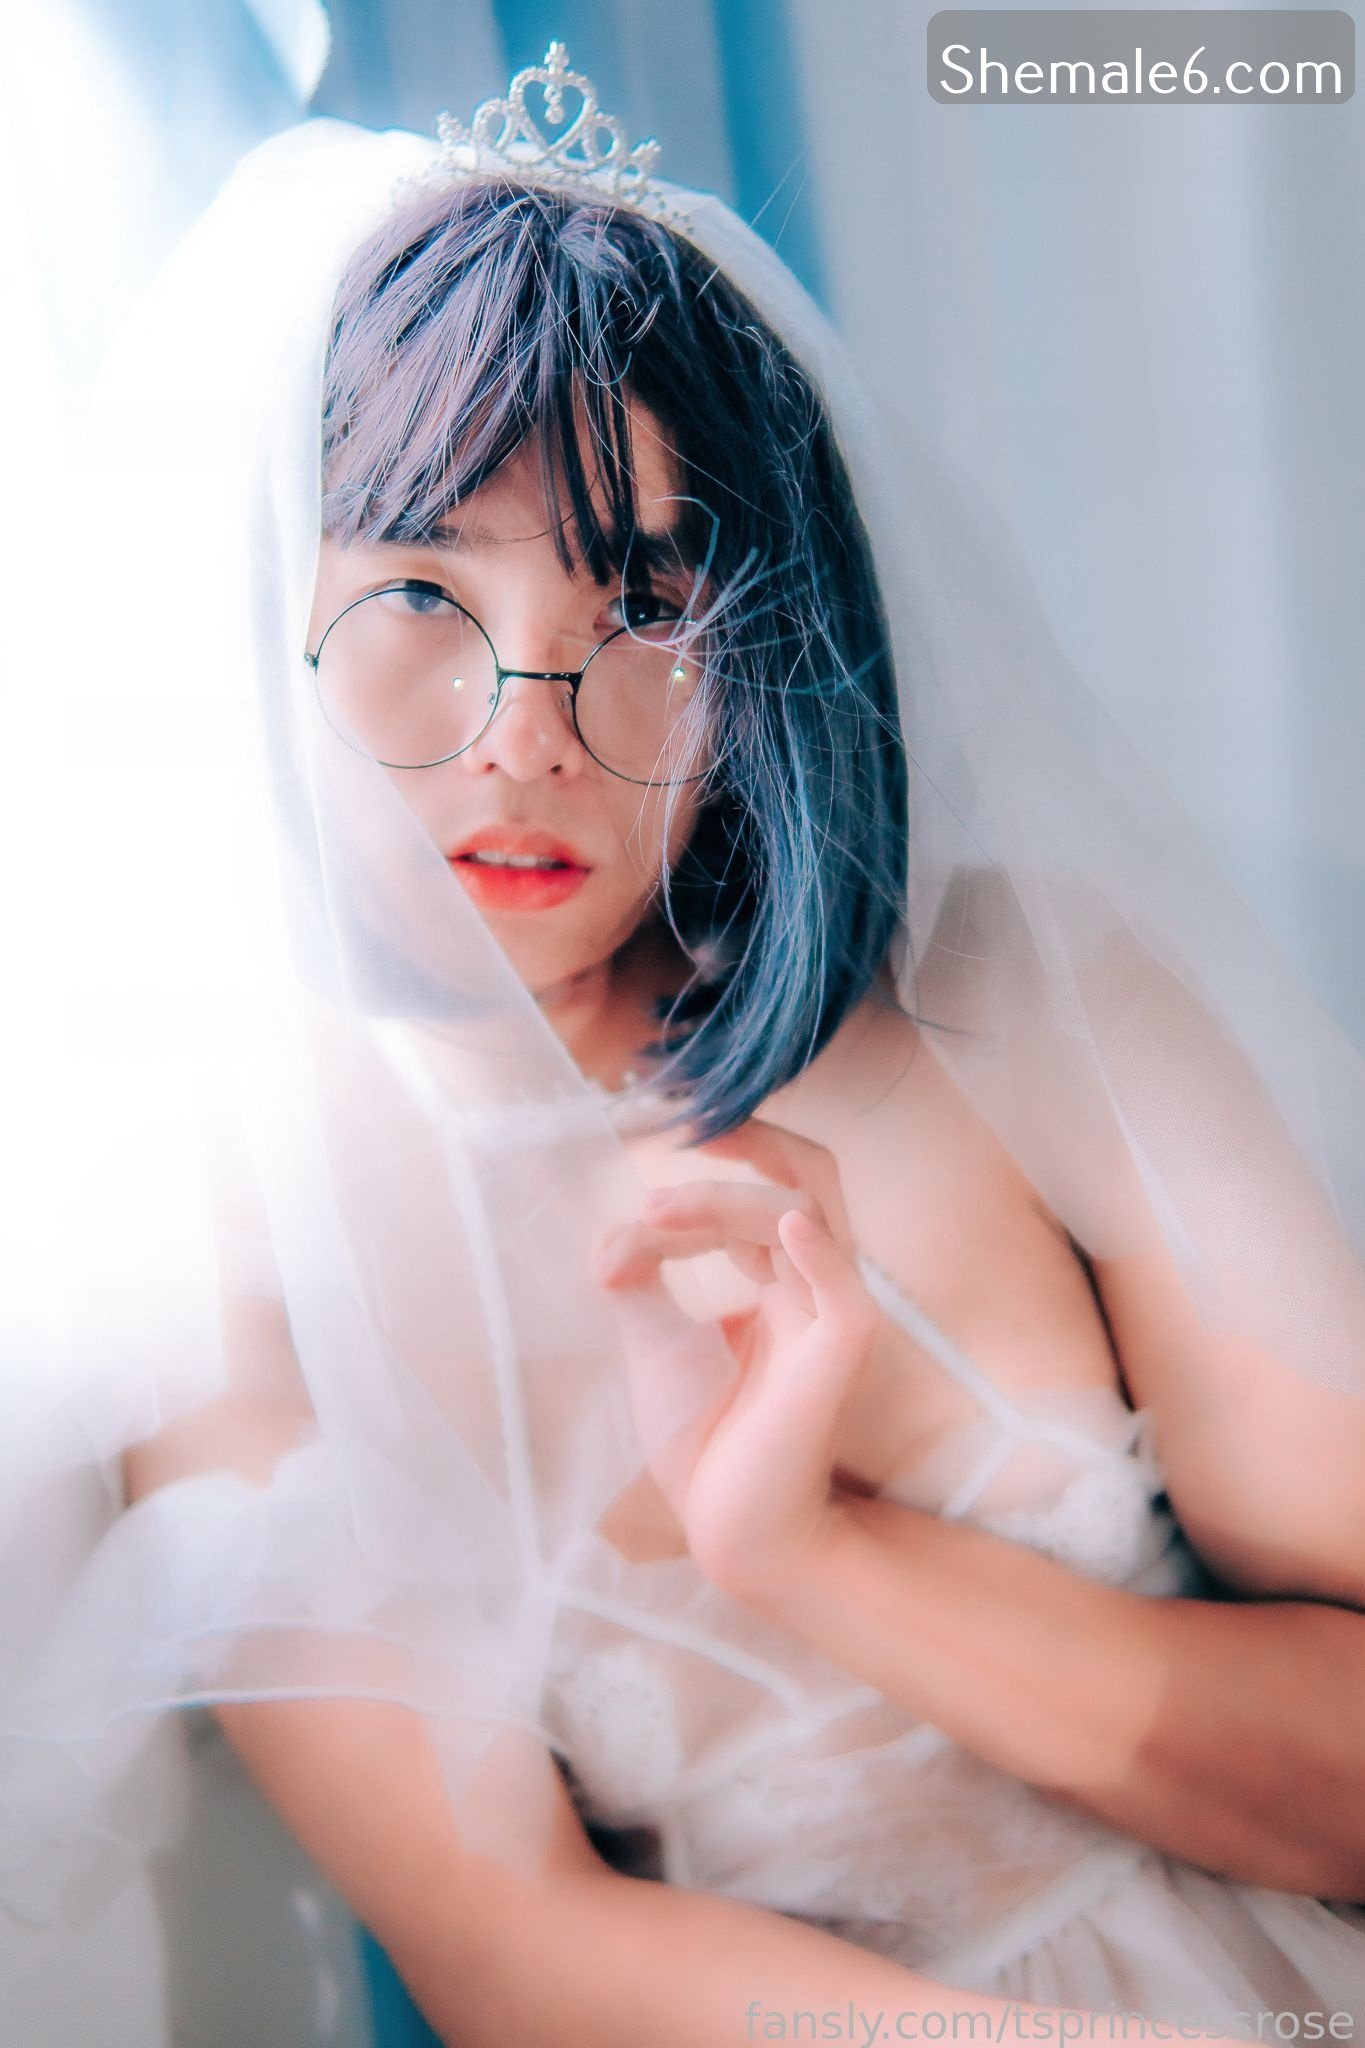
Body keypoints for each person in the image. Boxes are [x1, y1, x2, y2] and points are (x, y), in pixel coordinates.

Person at [4, 42, 1364, 2048]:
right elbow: (514, 1960)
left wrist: (814, 1554)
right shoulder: (226, 1263)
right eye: (416, 589)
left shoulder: (1017, 988)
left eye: (642, 600)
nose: (524, 734)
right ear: (257, 628)